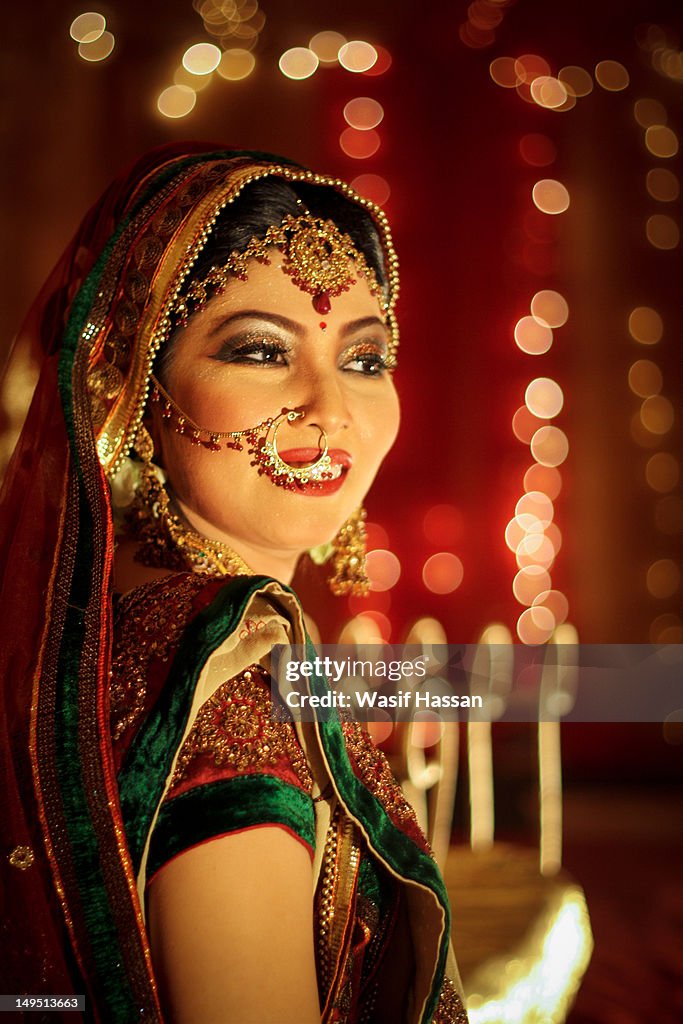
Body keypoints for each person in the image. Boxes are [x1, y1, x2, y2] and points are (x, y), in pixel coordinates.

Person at [0, 145, 468, 1023]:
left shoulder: (125, 631)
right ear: (131, 394)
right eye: (260, 351)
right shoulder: (227, 692)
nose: (329, 410)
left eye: (364, 360)